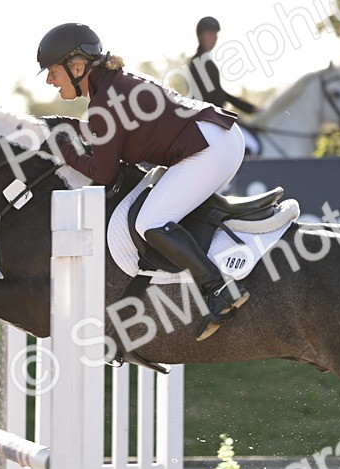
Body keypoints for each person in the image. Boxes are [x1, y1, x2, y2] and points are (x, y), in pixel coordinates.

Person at [37, 22, 250, 341]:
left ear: (78, 66)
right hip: (218, 137)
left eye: (53, 72)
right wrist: (71, 129)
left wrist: (64, 149)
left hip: (210, 146)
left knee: (151, 221)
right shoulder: (110, 88)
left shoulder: (105, 99)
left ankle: (219, 287)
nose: (50, 81)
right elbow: (110, 138)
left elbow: (103, 172)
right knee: (160, 212)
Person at [187, 16, 256, 115]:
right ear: (200, 36)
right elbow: (210, 96)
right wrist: (232, 114)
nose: (214, 38)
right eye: (210, 34)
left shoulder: (206, 61)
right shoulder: (198, 61)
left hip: (209, 113)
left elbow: (218, 93)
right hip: (204, 115)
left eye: (216, 34)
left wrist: (249, 108)